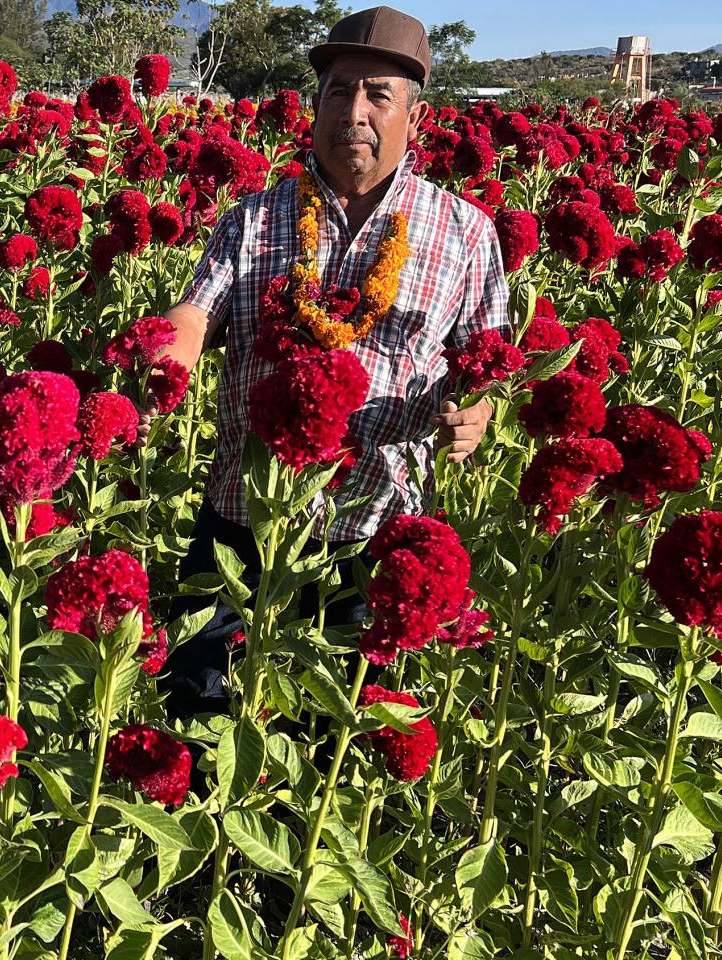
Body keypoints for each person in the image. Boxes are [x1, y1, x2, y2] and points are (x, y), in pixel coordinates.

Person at [151, 5, 513, 719]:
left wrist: (478, 413)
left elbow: (487, 365)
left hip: (372, 537)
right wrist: (164, 357)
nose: (356, 111)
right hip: (242, 528)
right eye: (340, 91)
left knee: (333, 753)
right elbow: (196, 313)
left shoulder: (466, 233)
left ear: (414, 114)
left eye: (379, 95)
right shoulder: (253, 220)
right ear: (315, 105)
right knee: (196, 726)